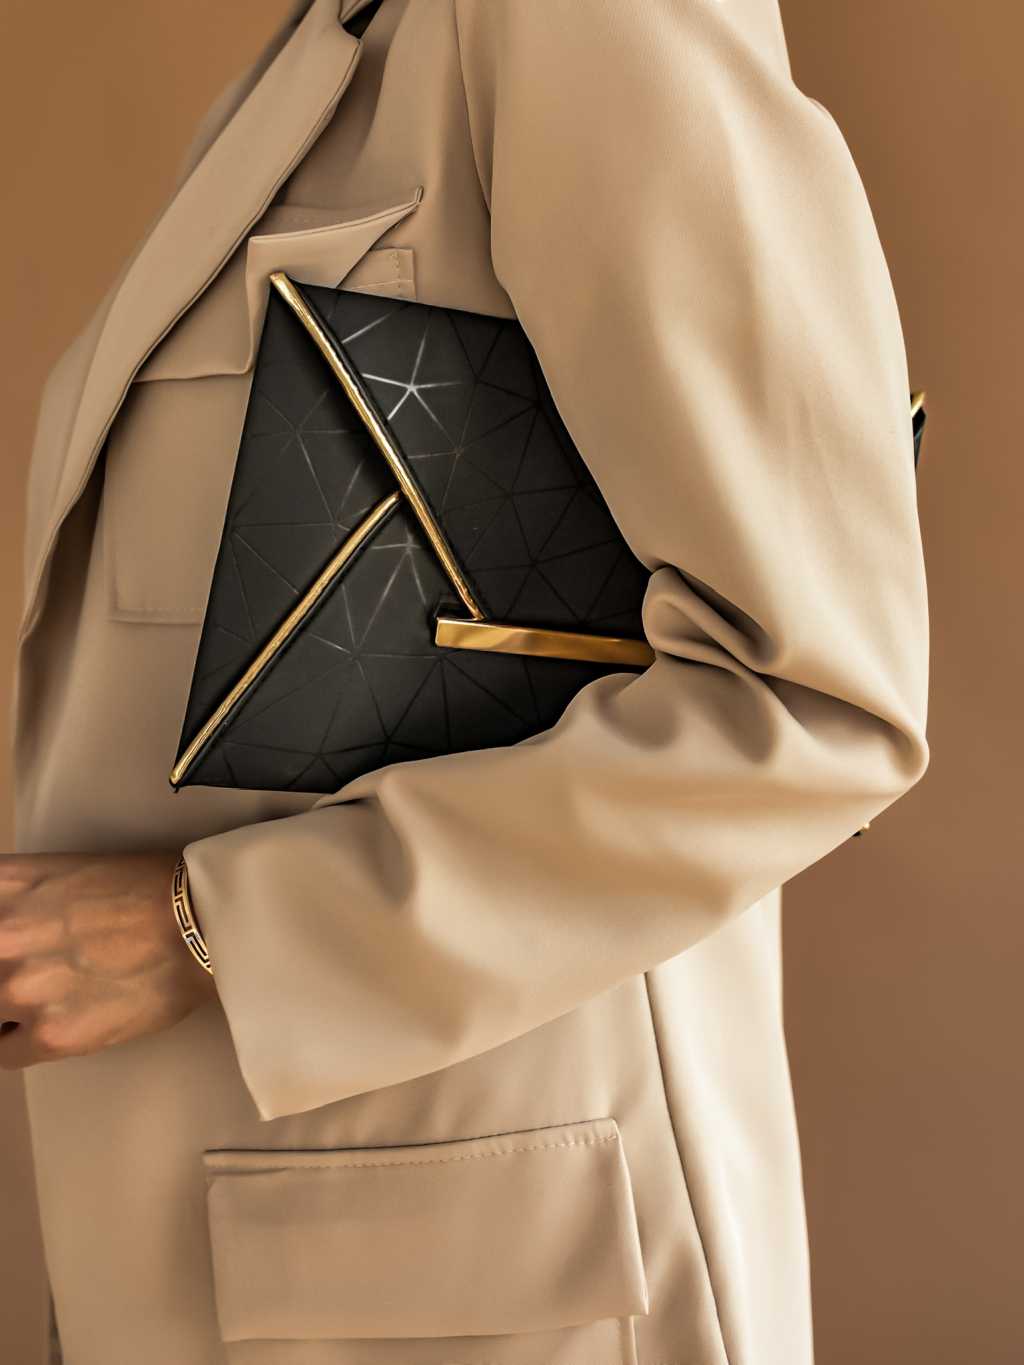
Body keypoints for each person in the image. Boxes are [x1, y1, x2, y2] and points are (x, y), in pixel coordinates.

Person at [0, 1, 929, 1362]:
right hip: (228, 1248)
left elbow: (810, 705)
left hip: (486, 1276)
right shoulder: (343, 38)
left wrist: (216, 929)